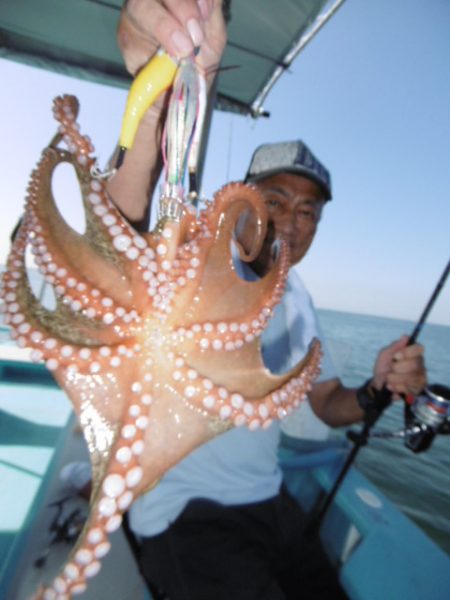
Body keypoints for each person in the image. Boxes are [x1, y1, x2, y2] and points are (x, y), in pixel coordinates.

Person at [103, 2, 427, 599]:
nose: (293, 223)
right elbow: (124, 222)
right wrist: (156, 96)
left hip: (267, 499)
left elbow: (327, 402)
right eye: (276, 200)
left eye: (309, 212)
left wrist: (380, 386)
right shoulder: (189, 257)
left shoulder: (296, 298)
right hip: (185, 512)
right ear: (238, 199)